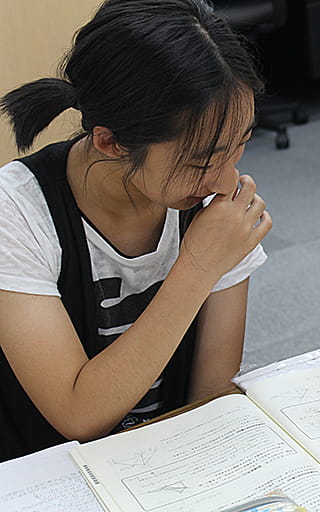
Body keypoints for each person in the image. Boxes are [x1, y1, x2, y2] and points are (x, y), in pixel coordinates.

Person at [0, 0, 272, 461]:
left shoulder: (208, 202)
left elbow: (211, 396)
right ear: (110, 141)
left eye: (240, 146)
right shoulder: (18, 213)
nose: (228, 182)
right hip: (48, 473)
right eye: (203, 161)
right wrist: (199, 265)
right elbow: (79, 417)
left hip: (165, 464)